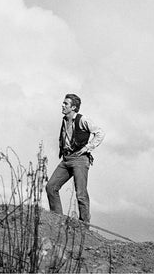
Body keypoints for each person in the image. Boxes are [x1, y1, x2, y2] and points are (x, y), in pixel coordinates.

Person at [46, 93, 105, 225]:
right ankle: (57, 220)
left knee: (81, 193)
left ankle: (84, 226)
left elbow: (100, 132)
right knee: (51, 187)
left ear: (73, 107)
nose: (62, 105)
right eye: (63, 103)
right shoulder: (64, 120)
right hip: (67, 159)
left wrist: (89, 147)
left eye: (66, 104)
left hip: (80, 159)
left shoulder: (82, 119)